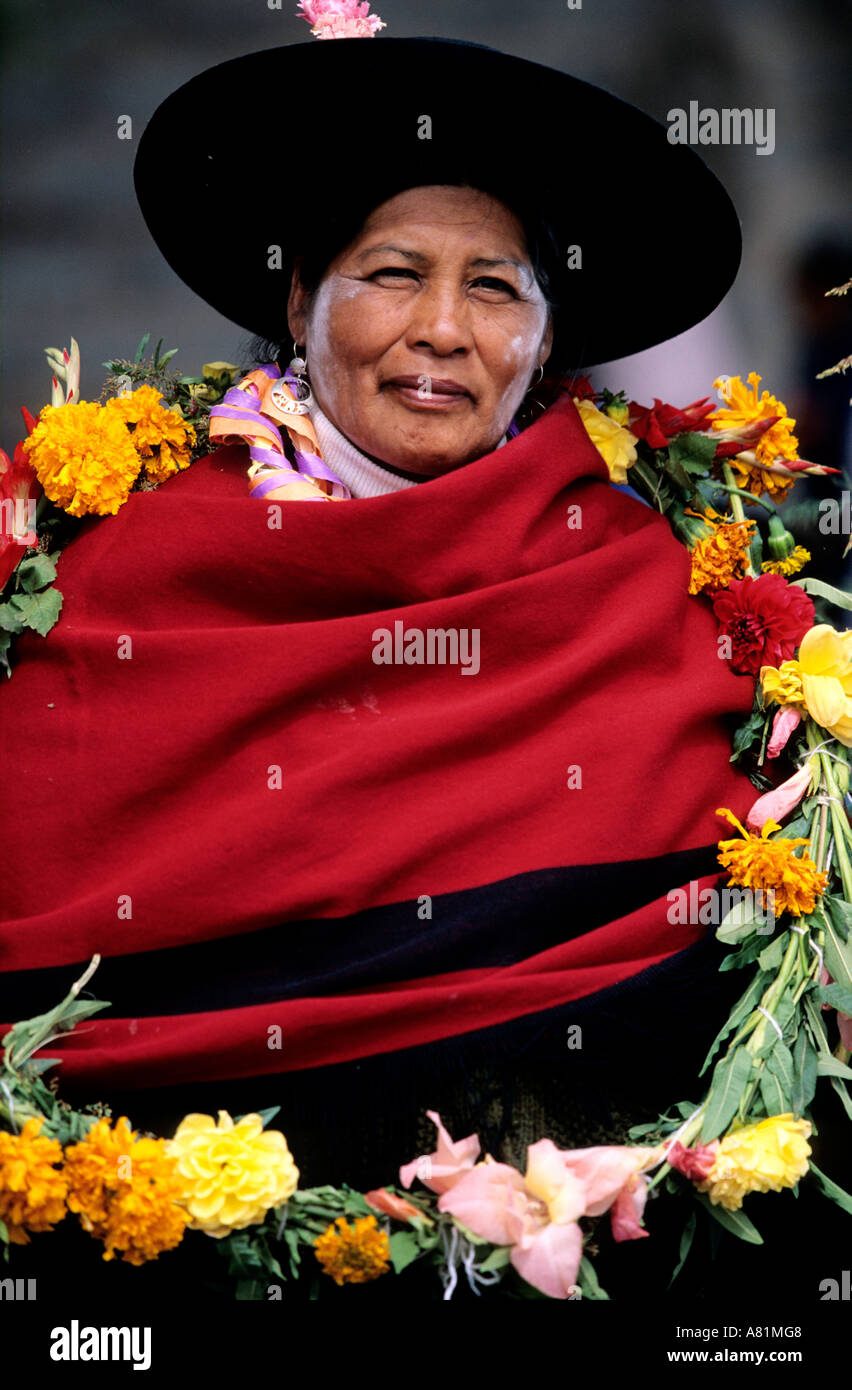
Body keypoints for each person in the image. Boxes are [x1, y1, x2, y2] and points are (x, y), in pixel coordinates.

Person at [2, 34, 792, 1298]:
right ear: (300, 296)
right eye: (391, 272)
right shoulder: (110, 583)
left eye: (496, 286)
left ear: (545, 341)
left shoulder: (660, 587)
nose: (439, 329)